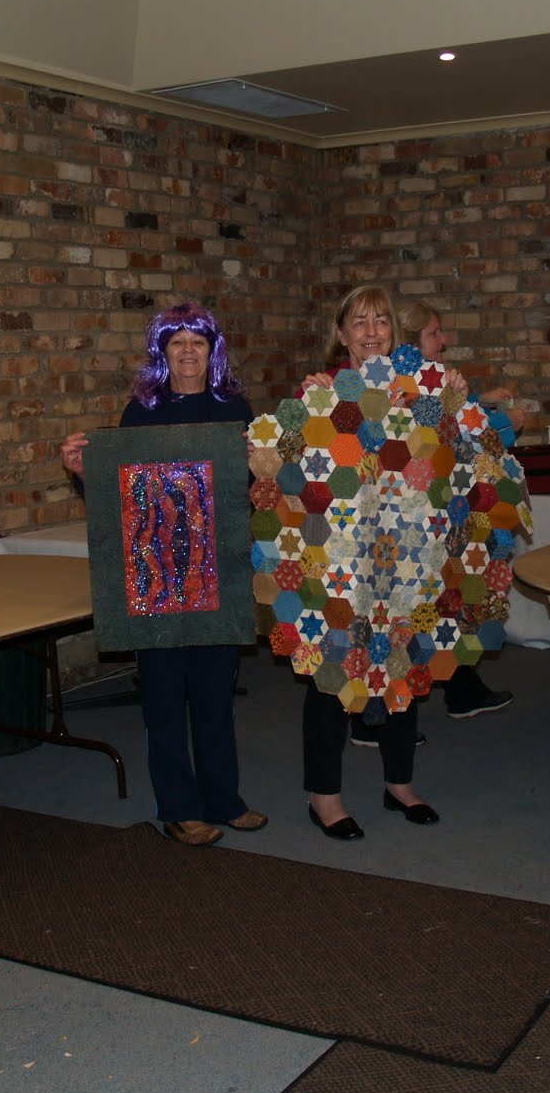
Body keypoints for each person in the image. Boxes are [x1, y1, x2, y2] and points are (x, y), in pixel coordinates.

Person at [60, 303, 266, 847]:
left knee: (216, 694)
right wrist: (84, 473)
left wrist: (264, 463)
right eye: (177, 342)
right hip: (156, 575)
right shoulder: (141, 412)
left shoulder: (234, 409)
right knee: (165, 696)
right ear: (163, 352)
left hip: (216, 571)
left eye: (198, 341)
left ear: (213, 350)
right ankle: (178, 806)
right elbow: (120, 494)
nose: (188, 351)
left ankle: (225, 799)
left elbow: (253, 492)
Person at [297, 286, 440, 838]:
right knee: (332, 671)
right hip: (341, 558)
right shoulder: (325, 392)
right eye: (359, 321)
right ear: (341, 334)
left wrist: (449, 398)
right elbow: (295, 465)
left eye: (381, 320)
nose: (372, 330)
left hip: (405, 553)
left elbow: (445, 449)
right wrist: (306, 413)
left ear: (395, 333)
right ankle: (324, 795)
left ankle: (399, 782)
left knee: (403, 661)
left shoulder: (418, 389)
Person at [392, 301, 515, 721]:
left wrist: (476, 400)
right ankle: (381, 715)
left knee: (451, 598)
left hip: (441, 515)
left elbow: (445, 423)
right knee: (411, 610)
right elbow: (442, 432)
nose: (443, 341)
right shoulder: (395, 386)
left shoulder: (426, 381)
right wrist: (506, 422)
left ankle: (460, 688)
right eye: (433, 334)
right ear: (410, 343)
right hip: (410, 520)